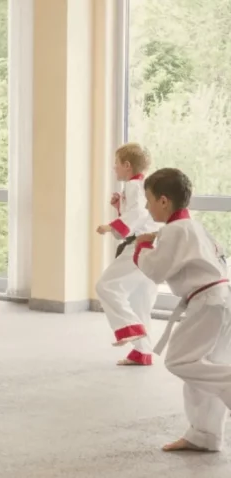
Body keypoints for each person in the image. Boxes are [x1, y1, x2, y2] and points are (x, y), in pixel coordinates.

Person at [132, 167, 231, 453]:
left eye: (149, 200)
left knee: (180, 361)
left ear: (164, 201)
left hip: (208, 302)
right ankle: (205, 435)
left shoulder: (175, 230)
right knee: (204, 367)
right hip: (220, 298)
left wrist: (142, 247)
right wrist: (157, 242)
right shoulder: (193, 226)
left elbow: (156, 270)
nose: (147, 206)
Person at [95, 143, 160, 366]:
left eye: (116, 164)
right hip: (153, 246)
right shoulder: (142, 186)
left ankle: (129, 328)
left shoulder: (134, 185)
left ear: (127, 165)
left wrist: (112, 226)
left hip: (139, 247)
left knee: (106, 286)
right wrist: (119, 207)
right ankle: (143, 352)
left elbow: (139, 214)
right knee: (140, 300)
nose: (114, 169)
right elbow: (140, 213)